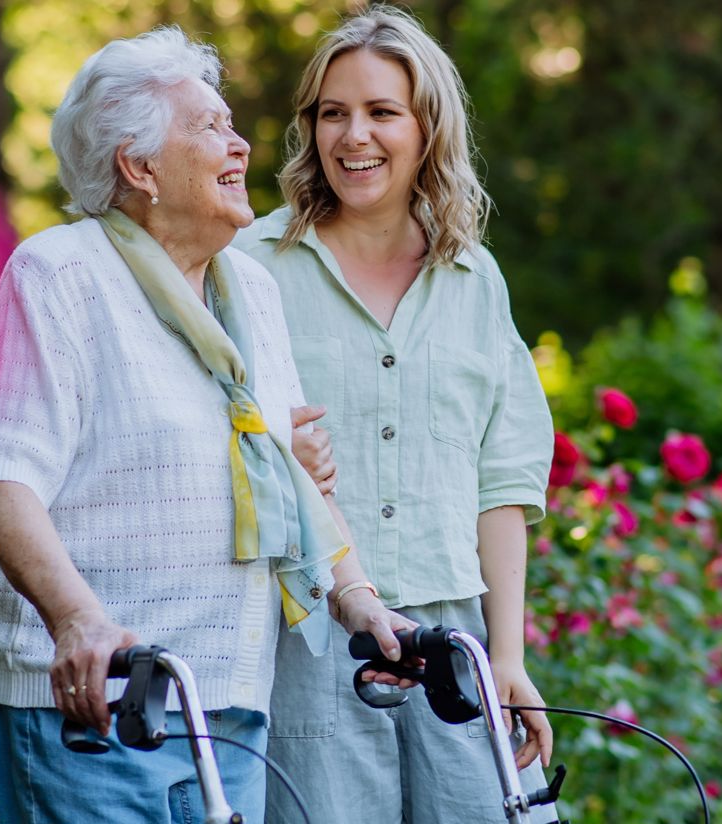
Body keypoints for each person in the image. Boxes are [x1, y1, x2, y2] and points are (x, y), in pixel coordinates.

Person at [0, 26, 413, 824]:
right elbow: (4, 483)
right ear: (139, 166)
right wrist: (79, 620)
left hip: (227, 701)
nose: (240, 143)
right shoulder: (62, 274)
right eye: (210, 127)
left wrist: (361, 600)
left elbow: (288, 476)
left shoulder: (250, 291)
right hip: (96, 704)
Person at [232, 7, 558, 822]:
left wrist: (508, 658)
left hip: (455, 642)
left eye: (381, 112)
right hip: (309, 640)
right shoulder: (248, 269)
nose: (354, 137)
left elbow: (502, 481)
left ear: (427, 128)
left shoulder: (475, 279)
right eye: (333, 113)